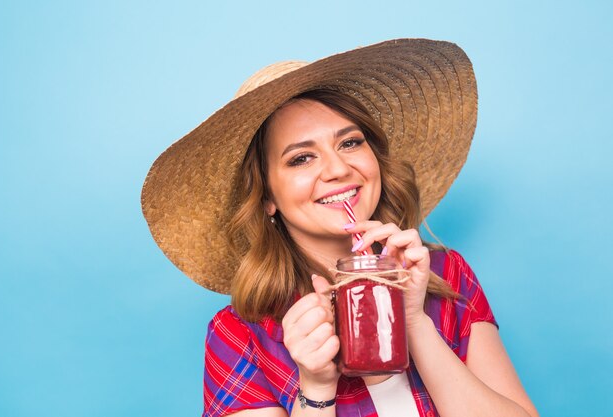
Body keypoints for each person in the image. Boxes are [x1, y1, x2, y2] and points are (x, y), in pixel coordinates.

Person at [141, 39, 539, 417]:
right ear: (268, 198)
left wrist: (417, 324)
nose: (337, 169)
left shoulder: (446, 276)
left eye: (349, 143)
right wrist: (314, 389)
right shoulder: (239, 337)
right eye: (300, 159)